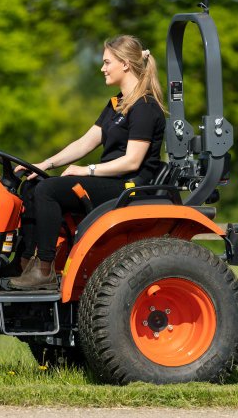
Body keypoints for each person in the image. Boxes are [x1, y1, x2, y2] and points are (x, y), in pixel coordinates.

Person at [9, 35, 167, 291]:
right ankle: (24, 262)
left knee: (48, 191)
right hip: (108, 180)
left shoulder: (145, 106)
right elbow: (85, 142)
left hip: (127, 187)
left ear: (125, 64)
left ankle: (45, 269)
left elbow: (132, 161)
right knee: (31, 184)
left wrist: (87, 169)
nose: (102, 68)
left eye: (107, 62)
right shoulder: (117, 104)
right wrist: (44, 164)